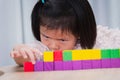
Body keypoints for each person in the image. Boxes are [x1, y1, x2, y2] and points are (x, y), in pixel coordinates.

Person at [10, 0, 120, 66]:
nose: (53, 46)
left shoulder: (101, 39)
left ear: (79, 33)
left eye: (62, 40)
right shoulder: (44, 49)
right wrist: (20, 51)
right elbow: (26, 56)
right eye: (46, 36)